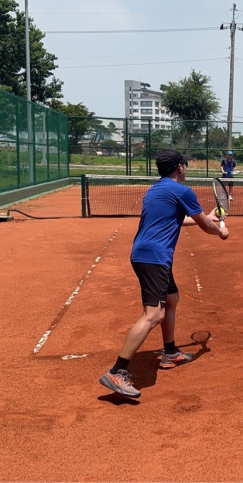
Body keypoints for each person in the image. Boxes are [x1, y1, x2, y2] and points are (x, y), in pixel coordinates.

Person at [99, 149, 228, 398]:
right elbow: (204, 225)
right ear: (180, 167)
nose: (186, 168)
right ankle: (117, 371)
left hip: (147, 254)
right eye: (185, 165)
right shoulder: (182, 191)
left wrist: (209, 217)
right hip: (154, 257)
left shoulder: (156, 190)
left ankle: (170, 352)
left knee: (171, 298)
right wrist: (220, 231)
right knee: (153, 314)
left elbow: (175, 219)